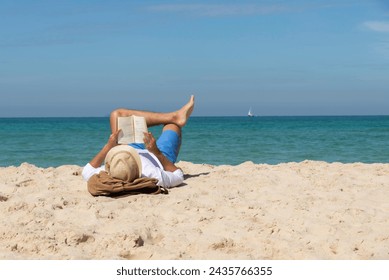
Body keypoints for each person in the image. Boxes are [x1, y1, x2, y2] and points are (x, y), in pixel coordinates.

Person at [82, 95, 195, 188]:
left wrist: (110, 146)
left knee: (117, 115)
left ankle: (173, 116)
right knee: (172, 126)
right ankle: (173, 119)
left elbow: (87, 170)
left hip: (128, 150)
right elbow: (178, 175)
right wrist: (156, 152)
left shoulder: (107, 172)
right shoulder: (152, 174)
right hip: (158, 158)